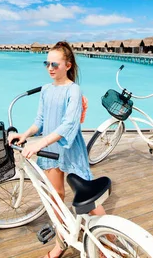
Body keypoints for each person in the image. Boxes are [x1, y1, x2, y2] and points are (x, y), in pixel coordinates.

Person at [8, 41, 106, 258]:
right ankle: (61, 244)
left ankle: (109, 240)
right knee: (56, 198)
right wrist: (25, 135)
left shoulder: (74, 90)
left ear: (68, 65)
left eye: (55, 64)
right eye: (47, 63)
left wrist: (39, 143)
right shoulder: (45, 90)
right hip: (50, 149)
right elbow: (40, 121)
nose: (50, 68)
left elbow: (69, 124)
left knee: (88, 199)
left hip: (70, 148)